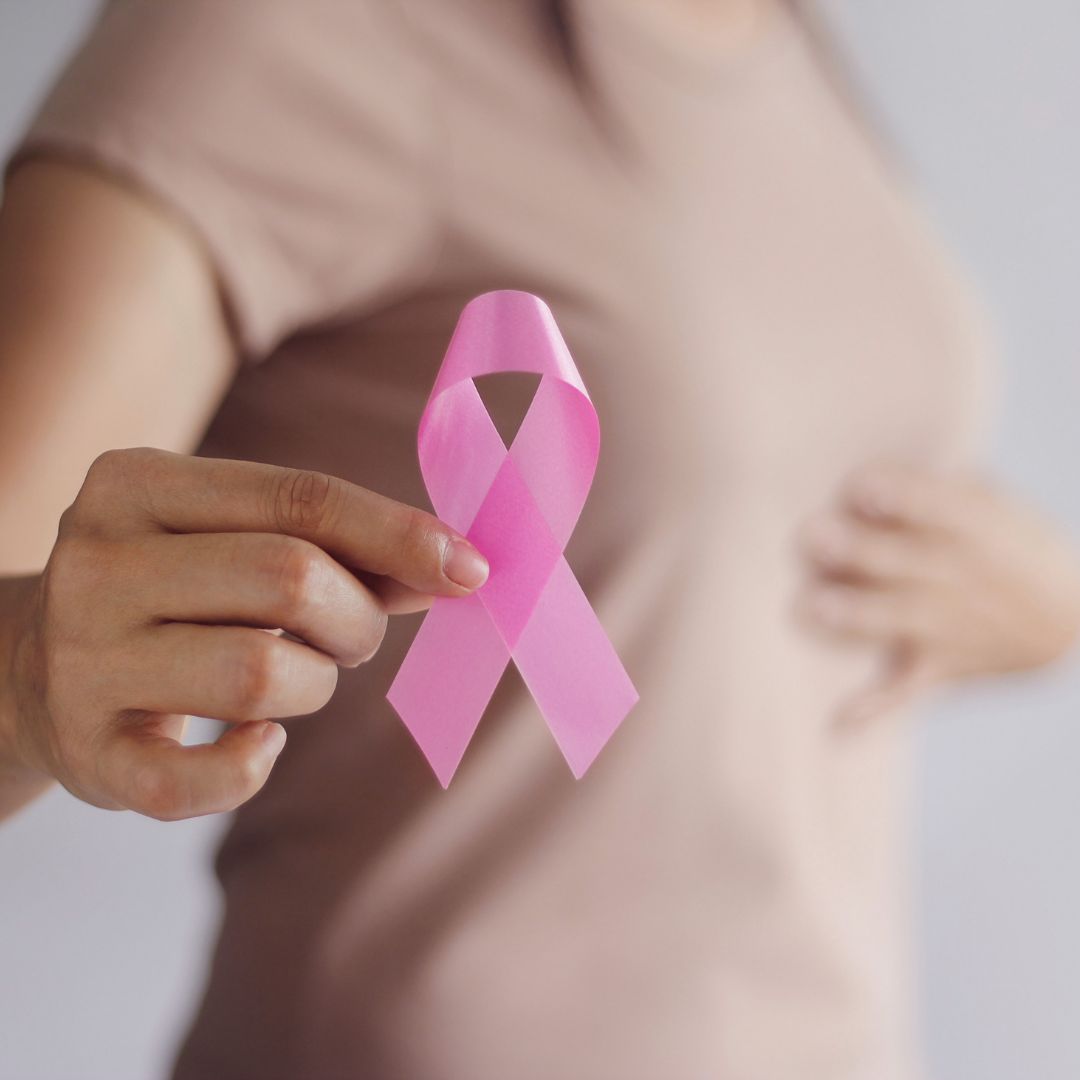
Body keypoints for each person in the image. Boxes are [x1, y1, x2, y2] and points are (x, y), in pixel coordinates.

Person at [1, 1, 1077, 1077]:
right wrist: (23, 676)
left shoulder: (783, 38)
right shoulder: (281, 34)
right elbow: (33, 621)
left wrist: (1054, 608)